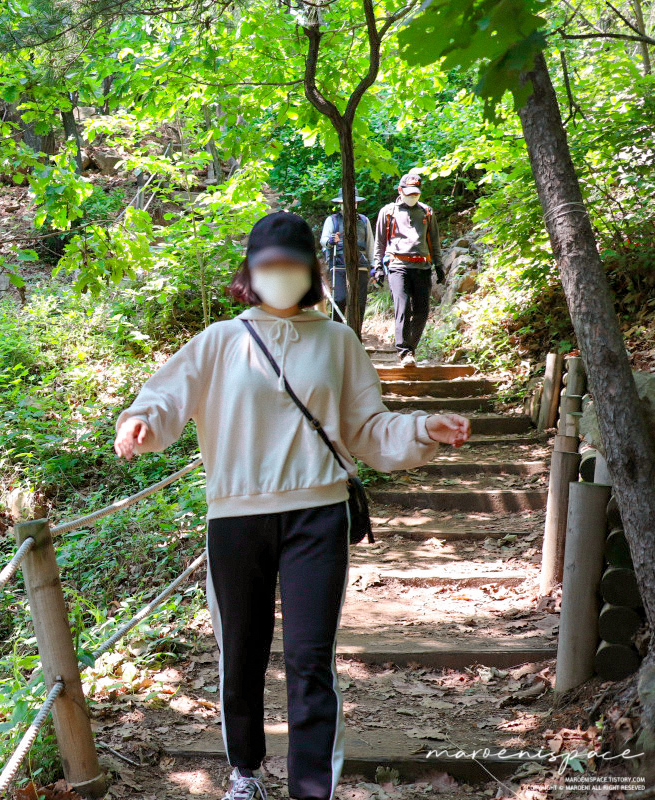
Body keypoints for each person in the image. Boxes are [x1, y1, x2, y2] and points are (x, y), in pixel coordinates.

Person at [113, 210, 471, 800]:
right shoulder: (221, 340)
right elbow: (163, 399)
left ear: (311, 270)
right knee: (241, 654)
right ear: (250, 271)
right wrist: (139, 424)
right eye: (268, 264)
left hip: (318, 514)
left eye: (291, 264)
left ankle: (312, 790)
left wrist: (424, 428)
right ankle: (244, 774)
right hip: (236, 517)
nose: (280, 274)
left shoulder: (337, 341)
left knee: (311, 661)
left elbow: (368, 428)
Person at [373, 173, 445, 366]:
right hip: (398, 266)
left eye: (416, 193)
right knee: (402, 308)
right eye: (409, 193)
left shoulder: (427, 212)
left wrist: (439, 265)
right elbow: (379, 242)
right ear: (400, 190)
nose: (413, 196)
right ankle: (404, 352)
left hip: (422, 266)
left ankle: (410, 348)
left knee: (422, 310)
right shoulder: (388, 212)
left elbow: (434, 242)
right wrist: (378, 266)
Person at [318, 195, 376, 323]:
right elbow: (324, 240)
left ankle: (356, 333)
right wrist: (331, 240)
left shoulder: (364, 221)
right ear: (340, 203)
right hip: (339, 264)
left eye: (353, 202)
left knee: (359, 302)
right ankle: (336, 330)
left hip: (360, 265)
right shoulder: (332, 220)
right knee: (339, 299)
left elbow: (370, 244)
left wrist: (373, 265)